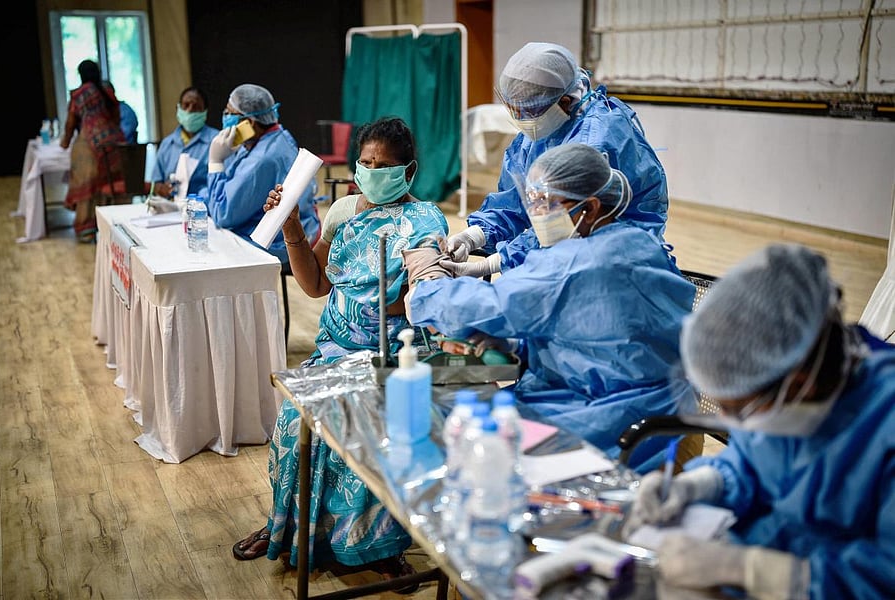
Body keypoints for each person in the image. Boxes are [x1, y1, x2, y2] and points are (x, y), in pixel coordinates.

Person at [232, 117, 449, 590]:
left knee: (376, 427)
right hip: (336, 346)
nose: (373, 171)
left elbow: (423, 294)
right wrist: (290, 223)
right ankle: (285, 526)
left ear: (408, 172)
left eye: (386, 165)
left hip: (394, 348)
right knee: (296, 423)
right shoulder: (344, 212)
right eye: (366, 162)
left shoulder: (425, 221)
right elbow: (315, 285)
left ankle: (384, 548)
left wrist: (387, 297)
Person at [625, 243, 895, 599]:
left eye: (738, 409)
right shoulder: (787, 400)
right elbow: (751, 465)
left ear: (799, 384)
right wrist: (699, 485)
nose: (729, 422)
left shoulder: (883, 422)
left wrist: (749, 569)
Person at [405, 143, 694, 471]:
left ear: (592, 206)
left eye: (548, 202)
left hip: (607, 421)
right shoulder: (638, 241)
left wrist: (426, 291)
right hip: (665, 409)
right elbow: (600, 331)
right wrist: (522, 342)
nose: (537, 212)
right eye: (534, 200)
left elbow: (491, 305)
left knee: (451, 440)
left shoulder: (576, 263)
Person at [445, 42, 669, 278]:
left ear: (564, 102)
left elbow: (563, 224)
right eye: (514, 110)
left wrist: (493, 264)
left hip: (614, 261)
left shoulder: (594, 143)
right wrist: (475, 235)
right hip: (563, 252)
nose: (520, 119)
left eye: (527, 111)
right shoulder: (536, 135)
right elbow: (514, 203)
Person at [205, 83, 319, 264]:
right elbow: (229, 189)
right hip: (289, 225)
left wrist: (215, 163)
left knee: (210, 248)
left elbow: (223, 215)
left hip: (278, 241)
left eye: (230, 113)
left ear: (248, 123)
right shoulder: (270, 138)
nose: (225, 118)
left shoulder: (263, 159)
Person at [59, 59, 128, 243]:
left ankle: (86, 228)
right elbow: (116, 116)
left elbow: (70, 123)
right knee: (111, 183)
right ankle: (113, 223)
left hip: (88, 144)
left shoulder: (78, 94)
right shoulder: (107, 91)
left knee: (87, 185)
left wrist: (65, 142)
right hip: (113, 142)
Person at [147, 86, 219, 199]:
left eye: (196, 107)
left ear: (205, 112)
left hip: (202, 208)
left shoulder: (217, 141)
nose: (190, 110)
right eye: (186, 105)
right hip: (171, 208)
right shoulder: (167, 144)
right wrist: (162, 189)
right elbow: (155, 182)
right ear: (178, 109)